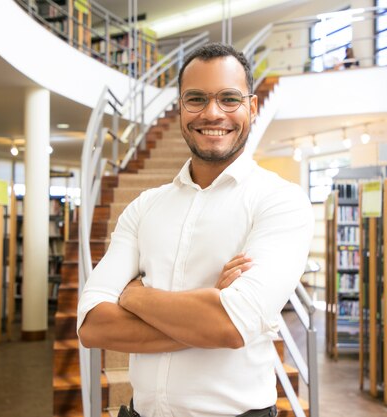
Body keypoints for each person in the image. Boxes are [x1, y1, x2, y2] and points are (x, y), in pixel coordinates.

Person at [77, 42, 314, 417]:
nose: (213, 112)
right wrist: (206, 307)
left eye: (229, 99)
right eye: (196, 99)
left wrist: (135, 297)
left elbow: (230, 326)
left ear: (252, 107)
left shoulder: (281, 202)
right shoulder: (144, 207)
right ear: (180, 109)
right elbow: (93, 326)